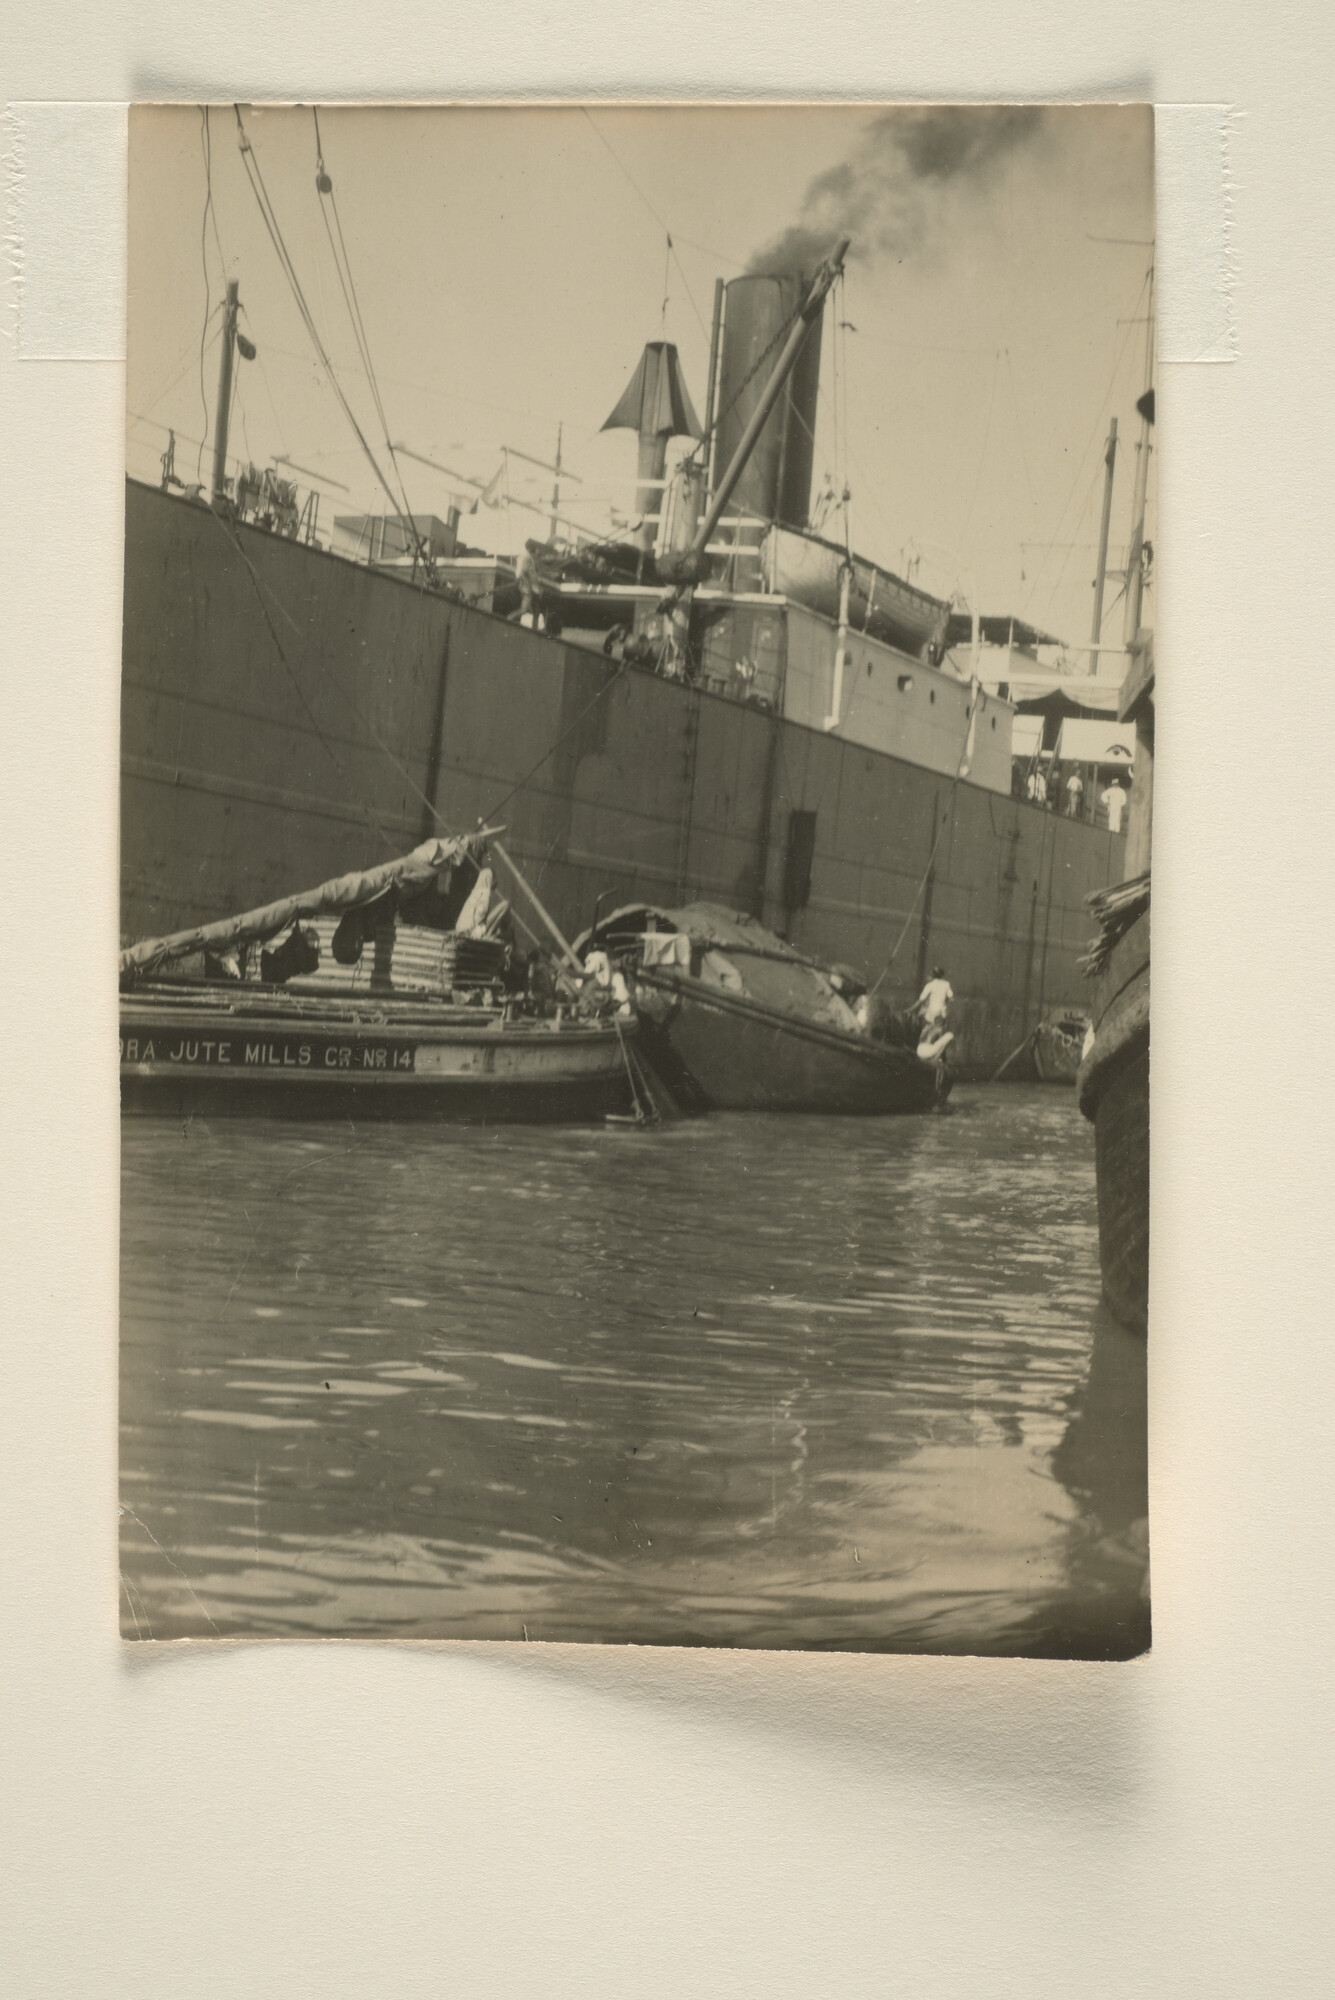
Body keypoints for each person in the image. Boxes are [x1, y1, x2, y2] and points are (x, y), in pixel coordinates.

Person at [917, 965, 953, 1033]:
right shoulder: (946, 984)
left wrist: (910, 1009)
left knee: (925, 1029)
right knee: (939, 1031)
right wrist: (945, 1001)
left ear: (933, 975)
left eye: (931, 974)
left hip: (931, 1013)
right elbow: (951, 998)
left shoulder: (930, 985)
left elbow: (921, 1000)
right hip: (942, 1013)